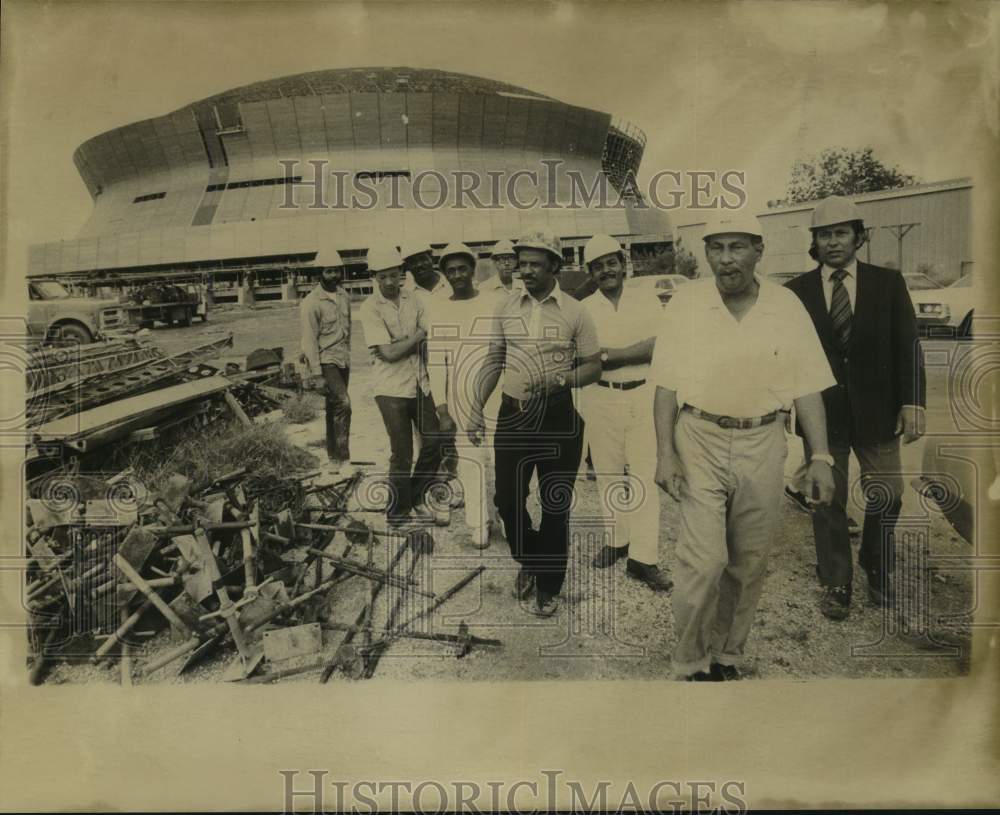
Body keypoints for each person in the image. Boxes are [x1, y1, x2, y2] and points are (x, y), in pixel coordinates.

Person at [652, 212, 836, 681]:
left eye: (737, 247)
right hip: (699, 437)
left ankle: (728, 655)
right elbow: (666, 388)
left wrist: (821, 457)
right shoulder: (687, 303)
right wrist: (664, 453)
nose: (726, 259)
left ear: (759, 250)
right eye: (717, 248)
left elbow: (808, 387)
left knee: (748, 560)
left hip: (764, 439)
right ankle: (690, 658)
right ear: (706, 253)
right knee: (704, 559)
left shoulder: (786, 305)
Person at [785, 195, 926, 620]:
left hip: (879, 412)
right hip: (821, 415)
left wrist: (913, 400)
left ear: (858, 237)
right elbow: (785, 357)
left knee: (889, 494)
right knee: (825, 499)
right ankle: (836, 580)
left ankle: (876, 563)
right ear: (815, 242)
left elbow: (908, 345)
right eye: (824, 234)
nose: (832, 242)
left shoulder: (888, 283)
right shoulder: (796, 292)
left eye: (841, 232)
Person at [469, 232, 602, 617]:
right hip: (513, 416)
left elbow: (594, 365)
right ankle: (530, 558)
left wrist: (562, 380)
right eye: (521, 263)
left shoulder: (576, 311)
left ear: (555, 267)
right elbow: (494, 358)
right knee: (507, 501)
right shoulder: (506, 307)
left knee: (554, 506)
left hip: (558, 417)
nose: (524, 271)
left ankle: (548, 583)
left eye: (534, 264)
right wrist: (477, 406)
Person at [578, 233, 672, 592]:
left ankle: (643, 559)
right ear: (591, 271)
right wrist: (604, 357)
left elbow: (658, 345)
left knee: (645, 475)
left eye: (611, 262)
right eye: (598, 266)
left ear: (623, 263)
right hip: (600, 396)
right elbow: (582, 356)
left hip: (641, 393)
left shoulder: (646, 298)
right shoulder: (585, 307)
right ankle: (617, 541)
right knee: (608, 471)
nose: (607, 270)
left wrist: (609, 355)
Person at [358, 242, 444, 526]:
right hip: (390, 389)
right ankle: (397, 514)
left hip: (420, 382)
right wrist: (417, 336)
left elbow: (425, 339)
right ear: (374, 276)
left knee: (434, 441)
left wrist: (407, 342)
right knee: (402, 452)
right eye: (382, 276)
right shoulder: (370, 308)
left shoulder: (414, 300)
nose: (390, 281)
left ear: (402, 272)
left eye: (394, 274)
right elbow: (389, 353)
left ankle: (416, 496)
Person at [427, 242, 496, 549]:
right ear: (444, 274)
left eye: (462, 268)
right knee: (470, 459)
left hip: (495, 390)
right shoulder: (439, 308)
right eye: (450, 270)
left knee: (501, 457)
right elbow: (436, 362)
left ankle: (506, 516)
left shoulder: (494, 302)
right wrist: (442, 408)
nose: (457, 275)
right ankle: (478, 523)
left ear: (472, 269)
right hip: (459, 393)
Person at [299, 248, 352, 477]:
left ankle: (333, 458)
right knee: (344, 404)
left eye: (336, 271)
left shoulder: (344, 296)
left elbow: (348, 331)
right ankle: (343, 457)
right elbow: (309, 340)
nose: (334, 275)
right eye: (329, 271)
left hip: (343, 360)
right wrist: (317, 374)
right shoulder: (311, 302)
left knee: (334, 408)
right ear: (319, 274)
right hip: (326, 360)